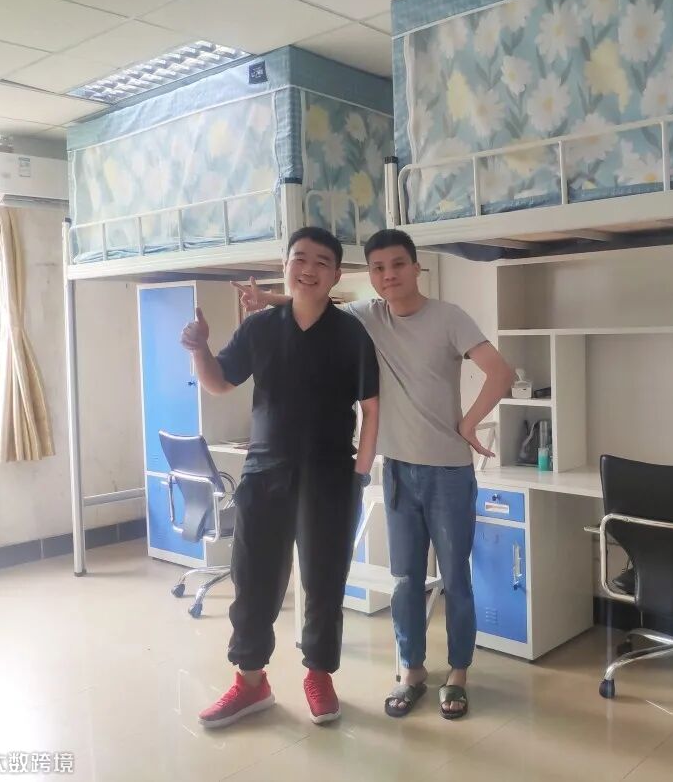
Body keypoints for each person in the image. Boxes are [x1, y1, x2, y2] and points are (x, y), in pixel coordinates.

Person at [237, 228, 514, 720]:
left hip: (448, 470)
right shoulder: (368, 317)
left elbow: (501, 372)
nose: (389, 276)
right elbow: (314, 300)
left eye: (398, 265)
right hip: (398, 469)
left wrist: (469, 423)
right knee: (406, 579)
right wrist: (268, 299)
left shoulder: (449, 317)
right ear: (370, 275)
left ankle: (458, 674)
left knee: (456, 578)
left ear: (416, 267)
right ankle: (411, 671)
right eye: (379, 268)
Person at [182, 227, 380, 728]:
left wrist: (359, 476)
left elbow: (372, 409)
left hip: (330, 475)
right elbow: (219, 382)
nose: (308, 269)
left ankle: (319, 675)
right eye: (299, 259)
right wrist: (199, 349)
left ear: (335, 274)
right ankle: (251, 682)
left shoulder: (350, 333)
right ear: (285, 265)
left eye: (321, 262)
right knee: (254, 577)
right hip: (265, 471)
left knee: (324, 579)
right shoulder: (260, 328)